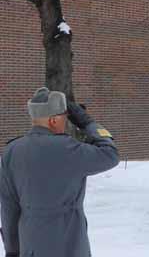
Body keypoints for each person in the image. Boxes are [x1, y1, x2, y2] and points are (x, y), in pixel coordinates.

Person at [0, 87, 119, 257]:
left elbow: (9, 207)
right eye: (65, 117)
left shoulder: (12, 151)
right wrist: (88, 123)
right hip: (70, 243)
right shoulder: (69, 149)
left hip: (31, 244)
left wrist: (12, 250)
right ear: (53, 121)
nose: (66, 122)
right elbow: (110, 154)